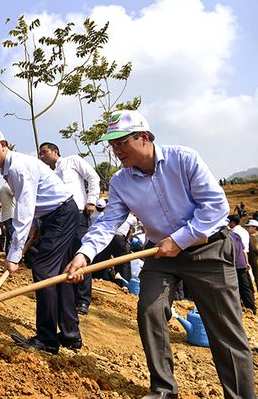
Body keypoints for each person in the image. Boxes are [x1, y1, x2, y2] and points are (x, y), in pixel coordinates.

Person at [65, 110, 255, 398]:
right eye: (112, 145)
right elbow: (107, 223)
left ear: (143, 137)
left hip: (208, 249)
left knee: (224, 329)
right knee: (150, 311)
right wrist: (84, 254)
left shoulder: (184, 159)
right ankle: (164, 389)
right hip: (160, 255)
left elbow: (215, 208)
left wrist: (179, 240)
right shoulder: (120, 182)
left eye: (121, 143)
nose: (116, 151)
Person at [0, 126, 80, 354]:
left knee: (43, 271)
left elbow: (24, 209)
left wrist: (14, 255)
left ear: (3, 144)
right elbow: (32, 204)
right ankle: (70, 335)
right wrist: (36, 226)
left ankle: (47, 339)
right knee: (60, 274)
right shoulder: (9, 168)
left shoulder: (18, 168)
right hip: (56, 214)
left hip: (60, 214)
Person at [40, 141, 100, 315]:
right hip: (58, 219)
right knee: (62, 257)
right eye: (40, 154)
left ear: (55, 151)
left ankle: (83, 300)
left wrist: (91, 200)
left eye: (44, 152)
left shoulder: (72, 161)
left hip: (78, 213)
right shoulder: (49, 174)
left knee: (80, 254)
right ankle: (67, 296)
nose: (42, 156)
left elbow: (93, 177)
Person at [245, 219, 258, 293]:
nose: (248, 229)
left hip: (255, 262)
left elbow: (255, 248)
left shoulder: (252, 236)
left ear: (255, 227)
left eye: (249, 227)